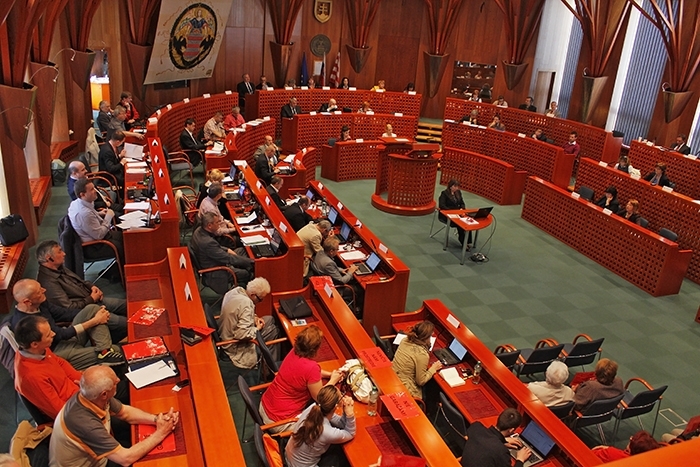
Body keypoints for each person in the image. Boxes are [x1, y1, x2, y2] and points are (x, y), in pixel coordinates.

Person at [49, 365, 179, 467]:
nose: (118, 380)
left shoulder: (92, 397)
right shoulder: (86, 424)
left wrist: (157, 419)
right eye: (115, 383)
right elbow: (125, 459)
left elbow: (125, 412)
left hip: (99, 456)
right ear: (104, 394)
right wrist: (161, 432)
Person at [10, 279, 124, 370]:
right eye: (39, 292)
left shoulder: (39, 303)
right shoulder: (26, 324)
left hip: (65, 338)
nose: (44, 290)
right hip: (57, 352)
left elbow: (64, 313)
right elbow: (58, 334)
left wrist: (95, 313)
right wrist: (94, 321)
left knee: (92, 308)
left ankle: (105, 351)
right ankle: (107, 351)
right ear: (27, 301)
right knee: (118, 350)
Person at [260, 325, 345, 433]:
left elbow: (308, 374)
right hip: (279, 421)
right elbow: (321, 398)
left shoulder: (294, 351)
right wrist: (333, 380)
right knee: (324, 424)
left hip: (265, 406)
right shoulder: (311, 368)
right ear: (316, 349)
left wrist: (330, 375)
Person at [14, 314, 81, 420]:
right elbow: (60, 411)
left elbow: (59, 362)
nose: (54, 334)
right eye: (48, 335)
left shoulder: (39, 350)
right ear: (34, 344)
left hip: (78, 391)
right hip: (73, 409)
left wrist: (82, 381)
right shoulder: (31, 377)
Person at [35, 240, 127, 316]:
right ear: (49, 258)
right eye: (59, 252)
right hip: (85, 312)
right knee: (124, 324)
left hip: (91, 299)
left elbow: (79, 281)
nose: (64, 254)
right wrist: (91, 299)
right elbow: (69, 308)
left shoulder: (58, 267)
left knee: (128, 305)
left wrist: (91, 286)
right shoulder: (48, 282)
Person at [218, 278, 280, 382]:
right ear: (253, 295)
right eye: (260, 300)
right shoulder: (246, 303)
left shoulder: (236, 291)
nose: (260, 302)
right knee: (273, 331)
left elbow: (238, 313)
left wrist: (254, 318)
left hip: (226, 332)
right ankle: (270, 372)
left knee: (269, 319)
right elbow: (241, 334)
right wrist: (257, 328)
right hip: (235, 345)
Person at [285, 386, 356, 467]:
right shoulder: (327, 432)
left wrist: (345, 411)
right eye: (342, 396)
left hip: (289, 457)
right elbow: (350, 433)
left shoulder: (314, 408)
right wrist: (350, 414)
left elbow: (341, 424)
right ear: (335, 407)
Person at [190, 211, 254, 292]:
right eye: (217, 222)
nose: (219, 224)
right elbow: (228, 258)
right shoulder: (207, 242)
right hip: (217, 271)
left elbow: (216, 248)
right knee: (246, 273)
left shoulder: (199, 231)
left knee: (242, 250)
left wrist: (227, 249)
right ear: (209, 225)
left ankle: (246, 265)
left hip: (213, 259)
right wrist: (252, 261)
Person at [68, 178, 125, 268]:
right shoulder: (83, 213)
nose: (95, 191)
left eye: (94, 188)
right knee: (124, 247)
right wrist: (108, 217)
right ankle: (120, 272)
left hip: (96, 237)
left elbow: (87, 221)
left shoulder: (76, 203)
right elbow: (99, 235)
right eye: (91, 189)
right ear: (82, 194)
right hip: (94, 246)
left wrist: (98, 214)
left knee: (125, 237)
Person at [460, 408, 532, 467]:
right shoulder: (502, 452)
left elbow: (485, 440)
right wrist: (520, 460)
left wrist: (502, 440)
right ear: (511, 430)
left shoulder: (476, 427)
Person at [391, 321, 441, 399]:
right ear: (426, 338)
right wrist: (433, 369)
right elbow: (421, 381)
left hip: (393, 378)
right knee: (433, 387)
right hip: (406, 389)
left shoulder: (405, 340)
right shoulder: (422, 355)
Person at [313, 238, 363, 315]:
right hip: (335, 288)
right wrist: (350, 272)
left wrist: (341, 270)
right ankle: (358, 311)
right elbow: (342, 280)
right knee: (360, 288)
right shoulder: (328, 263)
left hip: (325, 279)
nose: (338, 250)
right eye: (337, 249)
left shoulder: (320, 252)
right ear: (331, 251)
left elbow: (332, 268)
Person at [592, 430, 661, 462]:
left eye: (633, 439)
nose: (630, 438)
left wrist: (608, 450)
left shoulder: (611, 454)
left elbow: (591, 455)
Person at [439, 179, 469, 246]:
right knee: (460, 224)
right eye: (455, 186)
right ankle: (464, 243)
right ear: (450, 186)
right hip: (447, 215)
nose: (456, 188)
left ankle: (467, 242)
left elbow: (462, 203)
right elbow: (442, 205)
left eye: (457, 186)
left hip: (458, 213)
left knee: (467, 222)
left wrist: (462, 208)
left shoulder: (458, 193)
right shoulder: (444, 193)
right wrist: (452, 212)